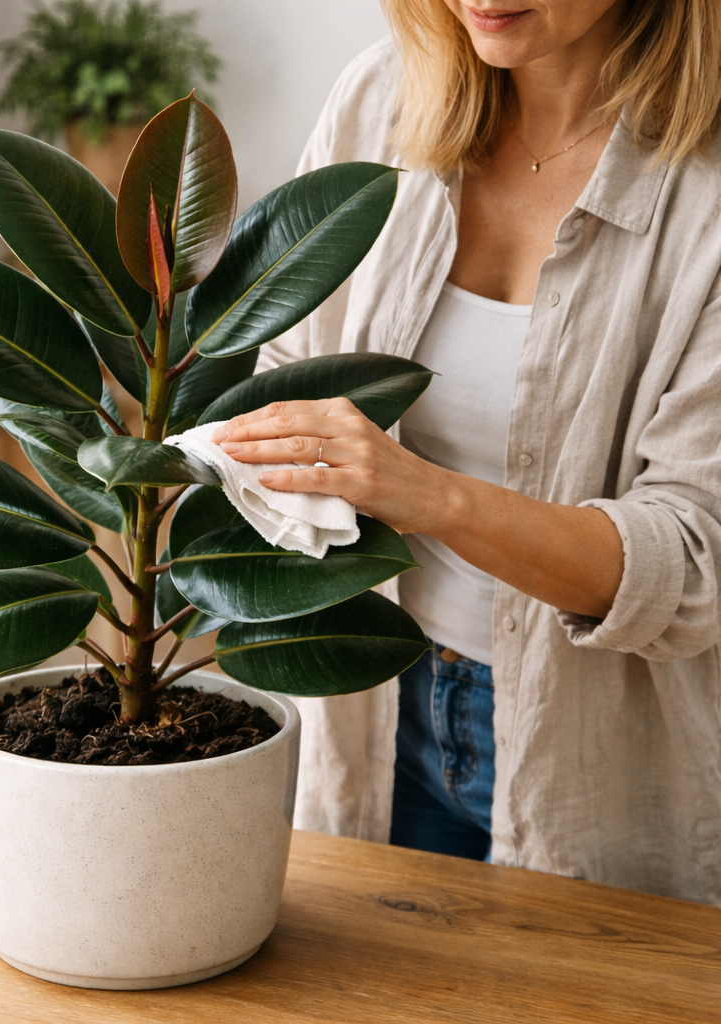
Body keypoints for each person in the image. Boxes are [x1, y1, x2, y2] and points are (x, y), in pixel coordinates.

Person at [211, 0, 721, 904]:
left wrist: (427, 495)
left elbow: (690, 563)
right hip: (376, 695)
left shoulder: (703, 189)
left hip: (601, 760)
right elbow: (289, 359)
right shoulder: (381, 102)